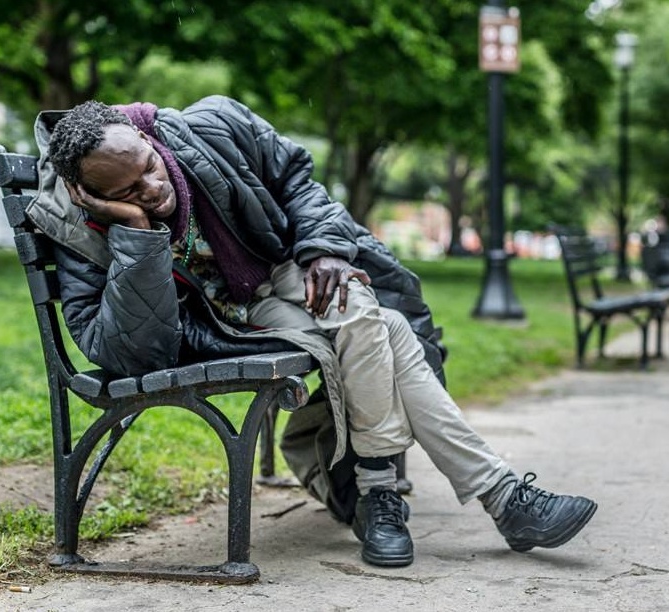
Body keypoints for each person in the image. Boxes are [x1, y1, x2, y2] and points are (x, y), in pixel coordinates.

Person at [30, 96, 597, 568]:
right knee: (390, 330)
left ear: (144, 134)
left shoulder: (211, 126)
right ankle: (484, 497)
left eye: (149, 167)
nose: (150, 189)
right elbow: (129, 351)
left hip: (280, 268)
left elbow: (298, 181)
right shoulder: (78, 226)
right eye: (126, 192)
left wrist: (323, 249)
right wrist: (136, 236)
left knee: (357, 306)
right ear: (89, 193)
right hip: (221, 321)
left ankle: (392, 492)